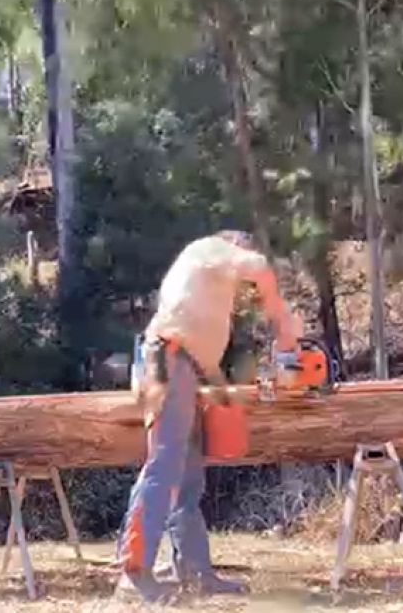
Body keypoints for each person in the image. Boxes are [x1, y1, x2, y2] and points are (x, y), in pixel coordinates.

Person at [115, 230, 303, 603]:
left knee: (187, 477)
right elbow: (258, 266)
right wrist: (283, 329)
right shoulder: (211, 250)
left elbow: (202, 341)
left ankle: (195, 573)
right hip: (166, 361)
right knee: (164, 464)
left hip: (183, 366)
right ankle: (133, 573)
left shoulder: (210, 277)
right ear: (236, 245)